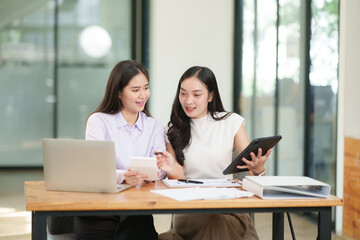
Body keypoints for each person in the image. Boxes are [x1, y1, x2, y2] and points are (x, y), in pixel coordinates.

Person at [156, 66, 272, 240]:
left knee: (216, 219)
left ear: (210, 96)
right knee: (210, 219)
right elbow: (177, 177)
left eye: (197, 95)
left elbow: (252, 168)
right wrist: (170, 169)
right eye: (183, 94)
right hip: (190, 211)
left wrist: (258, 169)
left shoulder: (231, 122)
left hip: (227, 208)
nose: (188, 101)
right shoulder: (172, 131)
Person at [74, 60, 165, 240]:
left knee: (137, 222)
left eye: (146, 88)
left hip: (137, 208)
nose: (143, 95)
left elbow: (160, 169)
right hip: (100, 208)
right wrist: (124, 176)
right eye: (135, 90)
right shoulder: (98, 121)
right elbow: (94, 170)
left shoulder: (154, 126)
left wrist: (158, 171)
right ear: (118, 93)